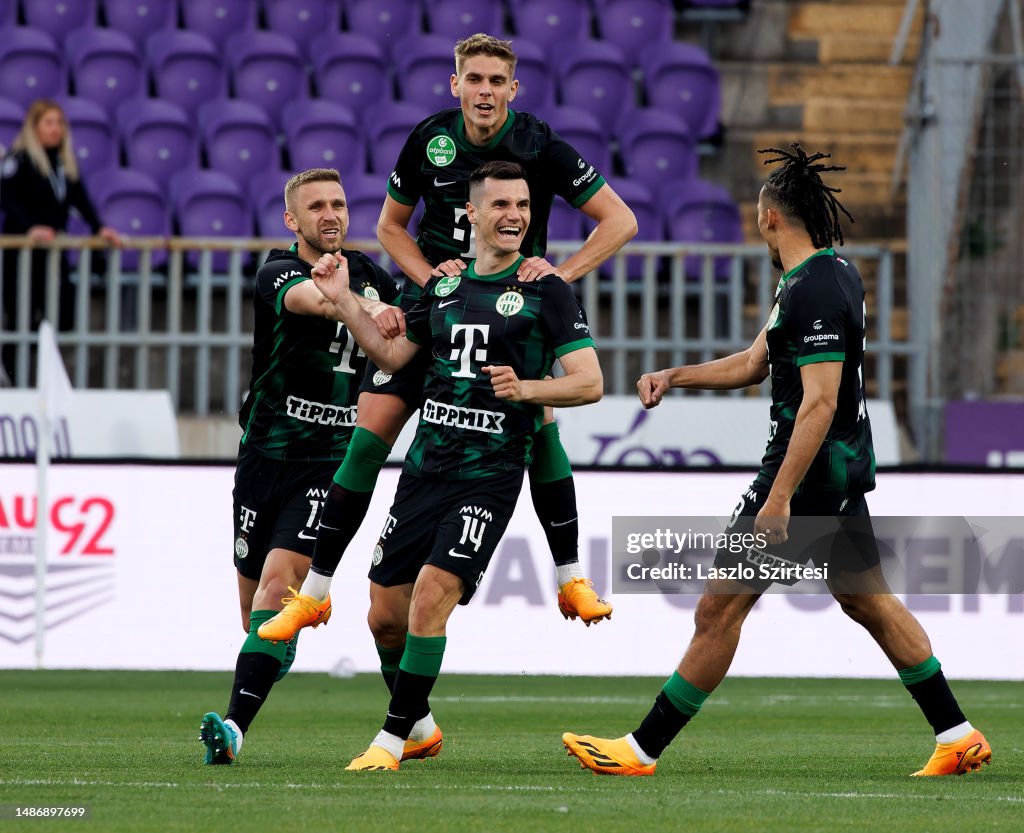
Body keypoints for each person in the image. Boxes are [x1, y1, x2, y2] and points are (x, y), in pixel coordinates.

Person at [562, 144, 992, 778]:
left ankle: (642, 748)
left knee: (720, 608)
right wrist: (674, 375)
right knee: (867, 600)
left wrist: (780, 496)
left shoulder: (814, 287)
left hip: (809, 473)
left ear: (770, 218)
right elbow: (752, 363)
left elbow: (818, 403)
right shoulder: (820, 276)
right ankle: (957, 734)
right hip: (837, 468)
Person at [257, 33, 636, 644]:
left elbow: (621, 219)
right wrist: (429, 276)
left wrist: (556, 276)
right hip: (437, 309)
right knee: (370, 433)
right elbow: (389, 226)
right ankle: (316, 595)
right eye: (474, 80)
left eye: (496, 82)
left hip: (512, 313)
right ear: (454, 84)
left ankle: (569, 577)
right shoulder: (429, 140)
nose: (484, 92)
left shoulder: (539, 144)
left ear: (513, 89)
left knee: (535, 423)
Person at [307, 161, 604, 771]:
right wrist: (344, 303)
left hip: (490, 476)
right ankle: (417, 727)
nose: (515, 216)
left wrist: (526, 390)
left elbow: (590, 383)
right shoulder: (442, 288)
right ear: (471, 214)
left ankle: (388, 742)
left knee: (431, 596)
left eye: (522, 205)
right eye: (500, 205)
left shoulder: (547, 289)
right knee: (384, 618)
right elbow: (391, 352)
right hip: (424, 470)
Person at [197, 168, 405, 765]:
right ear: (293, 221)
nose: (331, 214)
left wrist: (394, 305)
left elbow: (397, 319)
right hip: (263, 456)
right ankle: (416, 722)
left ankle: (233, 730)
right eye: (316, 206)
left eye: (338, 203)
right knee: (253, 614)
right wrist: (364, 306)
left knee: (277, 582)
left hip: (329, 462)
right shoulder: (277, 272)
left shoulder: (368, 272)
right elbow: (313, 301)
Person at [0, 99, 122, 381]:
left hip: (53, 254)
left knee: (61, 315)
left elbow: (80, 198)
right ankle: (14, 377)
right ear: (35, 127)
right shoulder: (19, 160)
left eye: (59, 123)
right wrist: (30, 228)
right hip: (24, 255)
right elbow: (6, 198)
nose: (55, 129)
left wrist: (99, 227)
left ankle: (36, 377)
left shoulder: (62, 164)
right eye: (48, 123)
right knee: (22, 318)